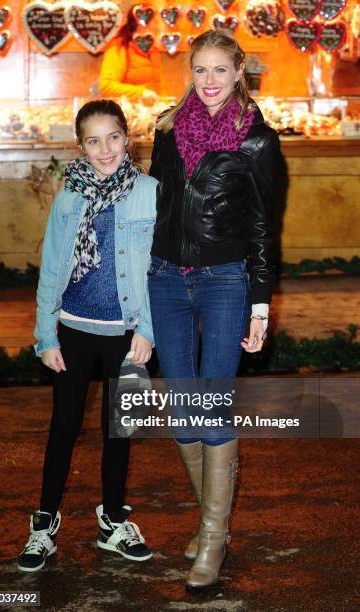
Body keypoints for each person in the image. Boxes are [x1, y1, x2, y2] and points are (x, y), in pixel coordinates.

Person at [148, 30, 280, 589]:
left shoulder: (258, 141)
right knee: (182, 408)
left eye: (219, 71)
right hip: (164, 278)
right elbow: (151, 206)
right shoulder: (167, 128)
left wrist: (260, 305)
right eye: (199, 70)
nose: (208, 82)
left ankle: (211, 541)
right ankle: (214, 528)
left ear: (238, 72)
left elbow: (263, 229)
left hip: (226, 280)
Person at [17, 100, 157, 572]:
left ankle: (113, 523)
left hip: (127, 336)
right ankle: (43, 524)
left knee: (119, 431)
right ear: (80, 146)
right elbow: (53, 265)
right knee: (63, 428)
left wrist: (148, 331)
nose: (105, 149)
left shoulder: (149, 192)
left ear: (127, 137)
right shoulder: (69, 196)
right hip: (74, 331)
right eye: (93, 141)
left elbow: (160, 272)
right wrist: (45, 335)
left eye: (113, 137)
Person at [99, 5, 165, 103]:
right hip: (127, 112)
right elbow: (106, 86)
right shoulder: (119, 49)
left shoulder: (154, 51)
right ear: (138, 22)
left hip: (149, 113)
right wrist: (141, 92)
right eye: (154, 22)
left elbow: (159, 88)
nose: (157, 26)